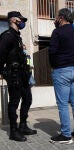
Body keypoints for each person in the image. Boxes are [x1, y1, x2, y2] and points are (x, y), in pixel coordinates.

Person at [0, 11, 37, 142]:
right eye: (21, 20)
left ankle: (23, 126)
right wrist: (5, 73)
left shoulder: (17, 37)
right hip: (14, 74)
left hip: (23, 74)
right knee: (14, 102)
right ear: (14, 20)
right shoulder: (7, 36)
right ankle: (13, 131)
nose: (22, 22)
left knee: (28, 99)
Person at [48, 8, 74, 144]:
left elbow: (52, 51)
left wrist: (53, 66)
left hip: (62, 70)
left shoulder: (57, 32)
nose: (55, 19)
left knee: (62, 104)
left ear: (61, 18)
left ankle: (66, 135)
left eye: (57, 17)